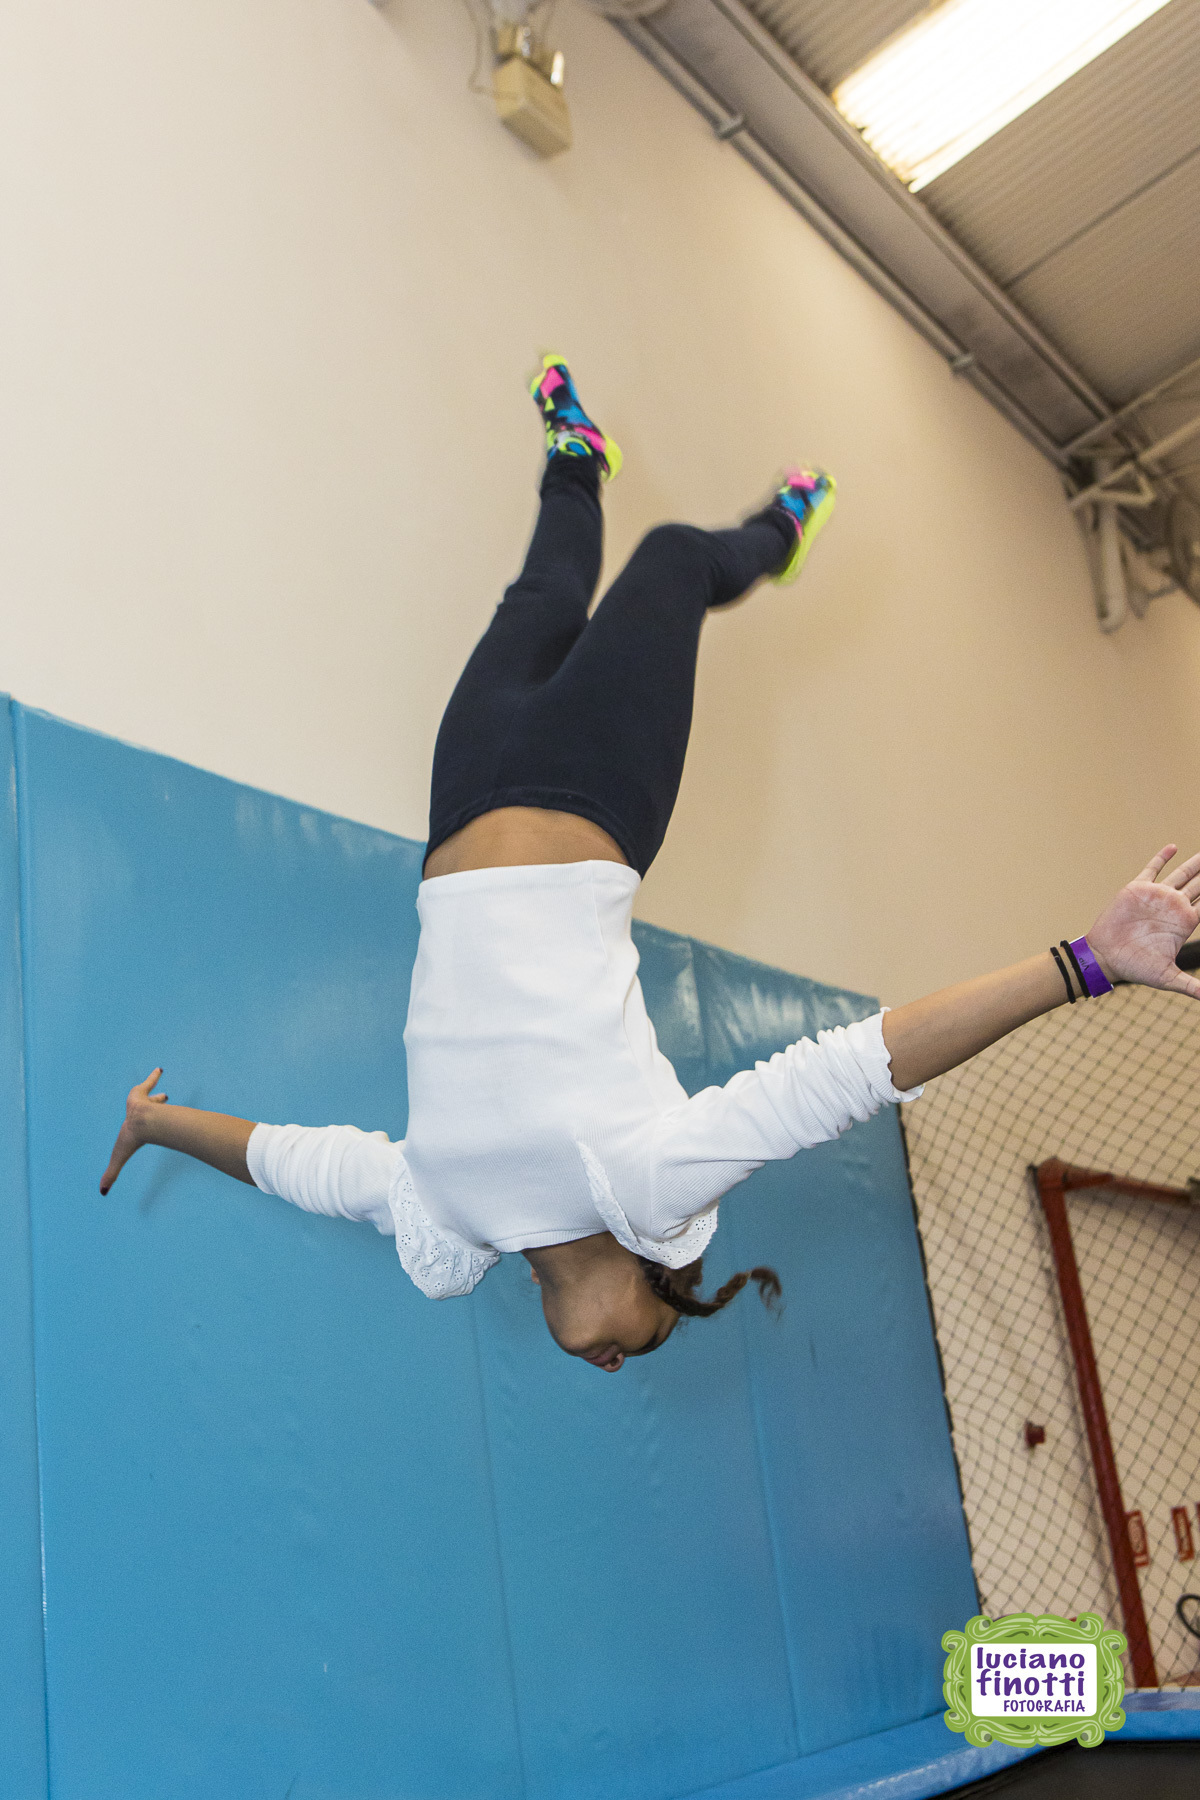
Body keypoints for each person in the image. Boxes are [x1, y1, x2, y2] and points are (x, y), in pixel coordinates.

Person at [101, 356, 1200, 1373]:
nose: (618, 1362)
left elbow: (299, 1164)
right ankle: (777, 533)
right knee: (675, 556)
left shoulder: (443, 1222)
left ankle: (577, 460)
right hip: (593, 797)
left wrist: (157, 1123)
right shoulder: (647, 1180)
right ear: (652, 1269)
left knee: (539, 600)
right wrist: (1082, 963)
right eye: (652, 1339)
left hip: (464, 801)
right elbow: (852, 1070)